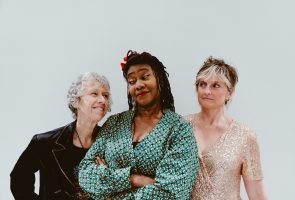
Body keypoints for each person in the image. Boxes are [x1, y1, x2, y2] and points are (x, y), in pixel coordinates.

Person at [79, 50, 199, 199]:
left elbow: (172, 194)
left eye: (145, 77)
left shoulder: (179, 130)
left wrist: (110, 194)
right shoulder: (114, 123)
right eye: (132, 81)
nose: (139, 85)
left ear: (160, 79)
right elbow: (85, 173)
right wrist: (132, 179)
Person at [10, 72, 112, 200]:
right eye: (94, 93)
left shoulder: (113, 144)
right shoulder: (45, 142)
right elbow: (19, 179)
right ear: (76, 101)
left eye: (106, 95)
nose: (102, 100)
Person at [184, 57, 268, 200]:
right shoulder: (181, 126)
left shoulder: (244, 136)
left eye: (215, 85)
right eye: (202, 84)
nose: (207, 91)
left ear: (230, 92)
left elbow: (257, 195)